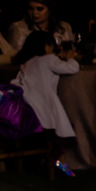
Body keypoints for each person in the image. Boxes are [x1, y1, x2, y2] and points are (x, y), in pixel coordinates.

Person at [11, 30, 78, 176]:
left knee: (52, 137)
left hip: (29, 105)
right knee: (61, 134)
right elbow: (72, 68)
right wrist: (71, 58)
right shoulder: (48, 59)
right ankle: (62, 165)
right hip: (47, 104)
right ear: (47, 45)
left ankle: (52, 164)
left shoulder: (27, 63)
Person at [5, 0, 76, 53]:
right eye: (31, 9)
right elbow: (17, 55)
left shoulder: (63, 26)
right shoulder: (19, 27)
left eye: (39, 9)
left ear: (50, 9)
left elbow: (70, 52)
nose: (34, 13)